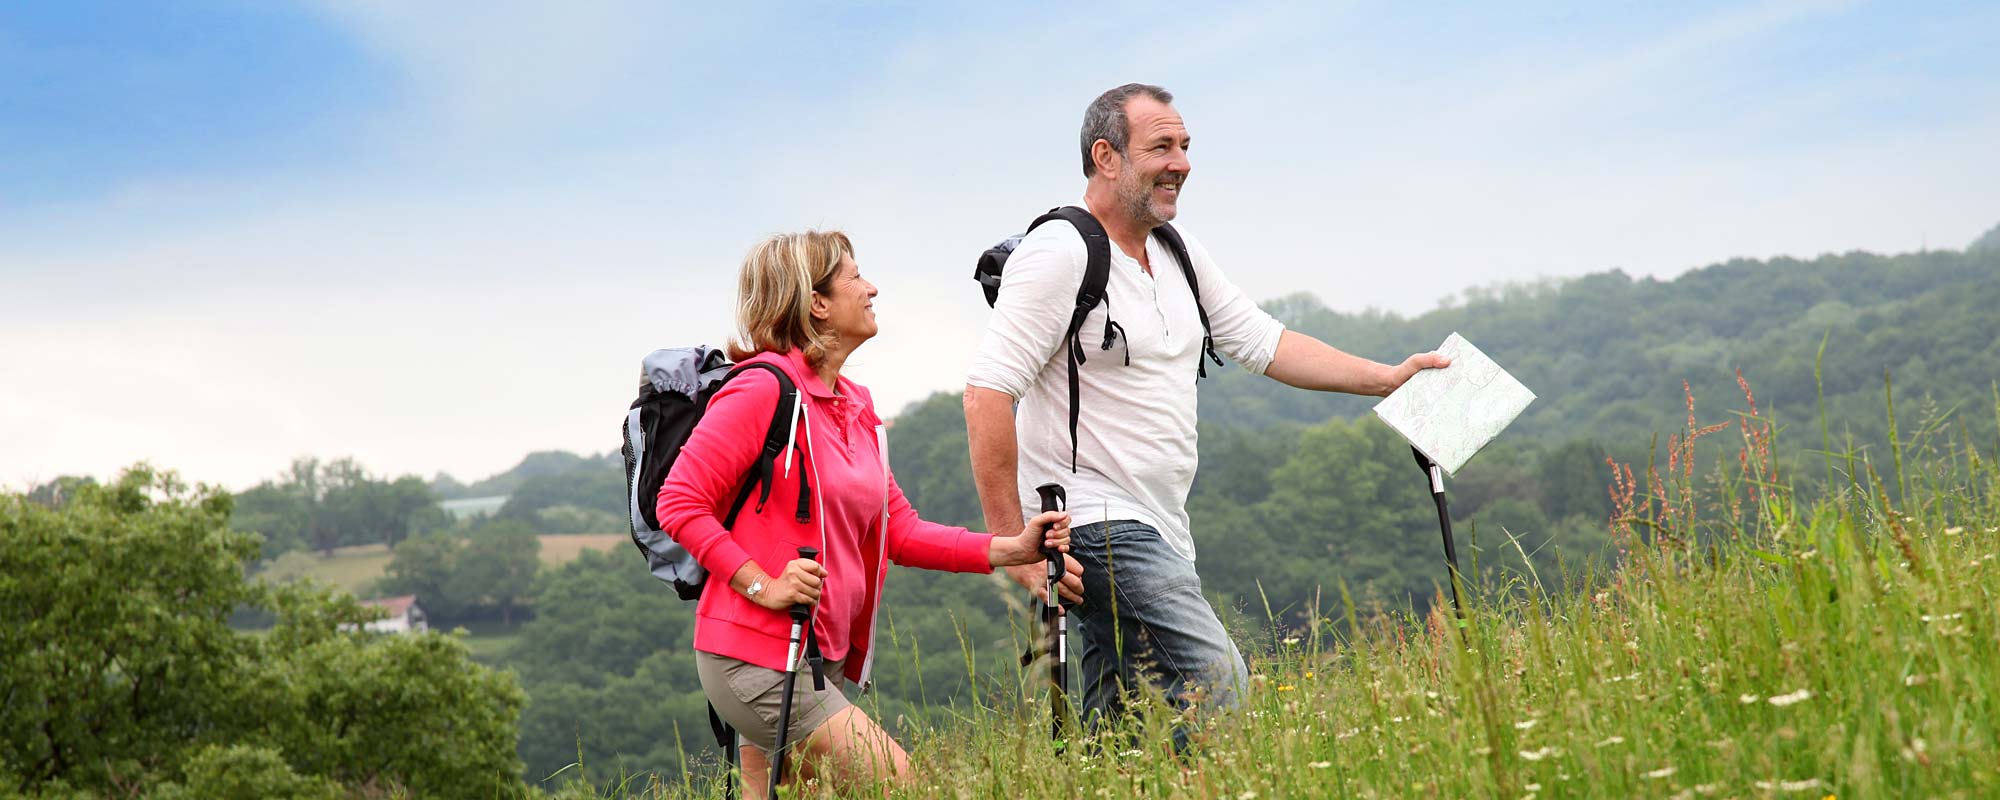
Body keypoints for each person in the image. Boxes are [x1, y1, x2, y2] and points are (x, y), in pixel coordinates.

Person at [964, 83, 1450, 747]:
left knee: (1122, 733)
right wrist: (1011, 545)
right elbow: (987, 393)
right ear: (1106, 157)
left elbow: (1265, 343)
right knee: (1220, 683)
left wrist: (1385, 378)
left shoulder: (1176, 250)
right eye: (1161, 146)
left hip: (1163, 525)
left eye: (1186, 146)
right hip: (1097, 524)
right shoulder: (1059, 254)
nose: (1183, 163)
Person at [658, 230, 1071, 795]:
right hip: (754, 656)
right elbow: (679, 501)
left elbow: (898, 530)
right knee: (901, 782)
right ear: (816, 302)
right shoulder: (760, 390)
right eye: (854, 276)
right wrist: (762, 585)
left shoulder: (855, 406)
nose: (871, 287)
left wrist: (1011, 549)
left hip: (814, 656)